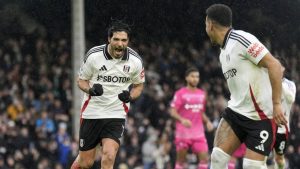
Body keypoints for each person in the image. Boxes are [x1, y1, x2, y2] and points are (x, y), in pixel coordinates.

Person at [205, 4, 287, 169]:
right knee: (217, 158)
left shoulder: (241, 39)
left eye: (205, 24)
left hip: (261, 118)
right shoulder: (223, 53)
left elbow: (275, 65)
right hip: (236, 113)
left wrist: (277, 104)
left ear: (210, 24)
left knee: (251, 166)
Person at [71, 20, 145, 169]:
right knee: (86, 163)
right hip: (92, 112)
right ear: (109, 39)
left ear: (128, 41)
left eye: (124, 40)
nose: (120, 44)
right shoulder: (94, 56)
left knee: (109, 156)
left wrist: (130, 96)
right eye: (116, 39)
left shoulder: (135, 61)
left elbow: (138, 86)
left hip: (116, 113)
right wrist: (90, 90)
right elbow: (81, 81)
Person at [169, 67, 214, 169]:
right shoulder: (180, 93)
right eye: (192, 76)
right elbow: (172, 112)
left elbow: (200, 112)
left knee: (204, 160)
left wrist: (207, 122)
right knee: (181, 161)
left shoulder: (202, 94)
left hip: (199, 134)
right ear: (186, 78)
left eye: (197, 77)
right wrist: (182, 120)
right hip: (183, 133)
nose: (195, 79)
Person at [272, 57, 296, 169]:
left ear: (283, 68)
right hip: (267, 125)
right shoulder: (267, 82)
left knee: (279, 158)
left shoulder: (290, 84)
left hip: (282, 128)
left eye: (278, 66)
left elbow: (291, 99)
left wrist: (278, 82)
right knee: (261, 156)